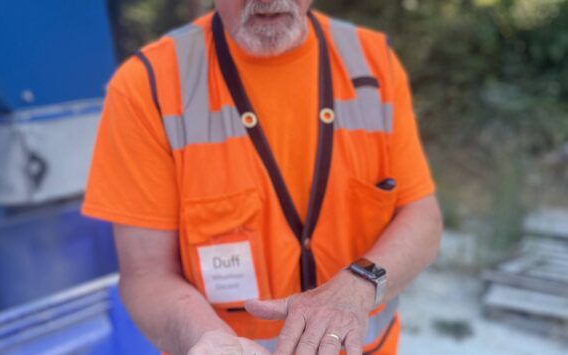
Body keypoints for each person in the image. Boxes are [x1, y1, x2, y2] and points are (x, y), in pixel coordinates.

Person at [82, 0, 443, 354]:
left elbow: (421, 215)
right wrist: (205, 339)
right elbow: (146, 274)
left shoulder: (372, 61)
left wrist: (359, 285)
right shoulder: (147, 87)